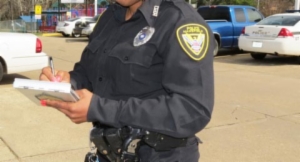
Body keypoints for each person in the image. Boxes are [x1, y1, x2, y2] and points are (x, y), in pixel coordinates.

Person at [39, 0, 215, 161]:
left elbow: (192, 110)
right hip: (110, 152)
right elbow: (91, 73)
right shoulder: (109, 17)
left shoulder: (180, 21)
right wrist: (69, 81)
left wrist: (100, 109)